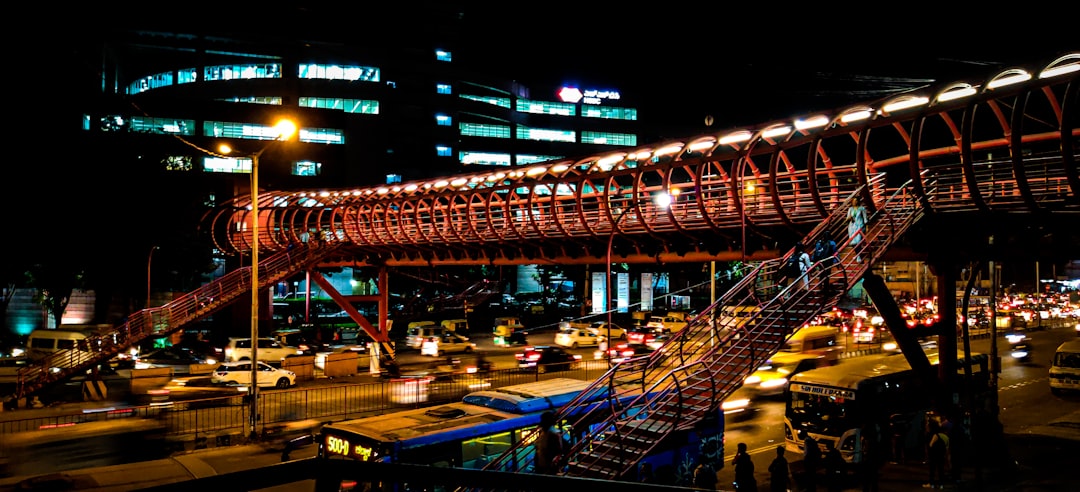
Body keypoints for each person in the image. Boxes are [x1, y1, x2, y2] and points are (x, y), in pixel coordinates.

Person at [925, 420, 950, 488]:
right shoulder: (943, 435)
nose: (926, 426)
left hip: (933, 454)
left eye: (927, 425)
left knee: (932, 470)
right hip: (941, 455)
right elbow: (947, 447)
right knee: (941, 470)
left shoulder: (931, 435)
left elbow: (930, 445)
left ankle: (931, 483)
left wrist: (927, 454)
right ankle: (941, 484)